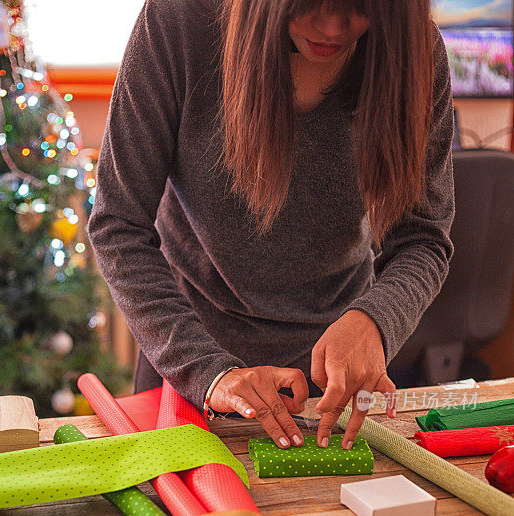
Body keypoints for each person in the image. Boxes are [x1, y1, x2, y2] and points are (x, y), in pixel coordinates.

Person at [88, 0, 455, 451]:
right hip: (190, 365)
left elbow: (424, 237)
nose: (333, 28)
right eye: (308, 4)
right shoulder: (179, 20)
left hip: (335, 381)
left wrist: (374, 322)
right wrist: (208, 371)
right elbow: (118, 224)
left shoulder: (415, 51)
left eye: (360, 8)